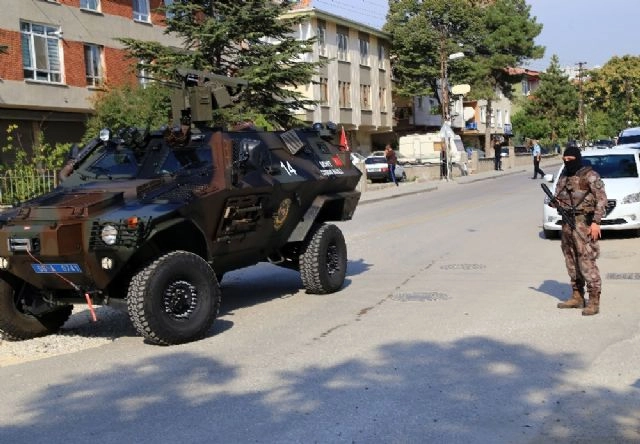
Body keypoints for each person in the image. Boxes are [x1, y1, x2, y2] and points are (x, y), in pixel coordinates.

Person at [551, 145, 608, 316]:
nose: (567, 162)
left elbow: (602, 199)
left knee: (586, 260)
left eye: (570, 159)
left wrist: (596, 222)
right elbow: (559, 195)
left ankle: (594, 300)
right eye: (565, 160)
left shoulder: (590, 175)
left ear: (577, 158)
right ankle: (577, 296)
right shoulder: (564, 176)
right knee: (571, 259)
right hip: (567, 223)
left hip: (584, 223)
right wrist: (555, 203)